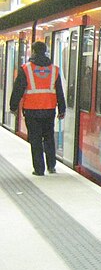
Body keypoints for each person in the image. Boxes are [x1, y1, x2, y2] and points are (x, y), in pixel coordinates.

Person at [9, 41, 66, 176]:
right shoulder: (54, 69)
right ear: (45, 51)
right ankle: (51, 166)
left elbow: (18, 89)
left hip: (31, 110)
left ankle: (39, 169)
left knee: (35, 140)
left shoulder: (26, 69)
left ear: (33, 51)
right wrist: (62, 109)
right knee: (49, 137)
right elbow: (59, 91)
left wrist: (13, 107)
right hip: (49, 110)